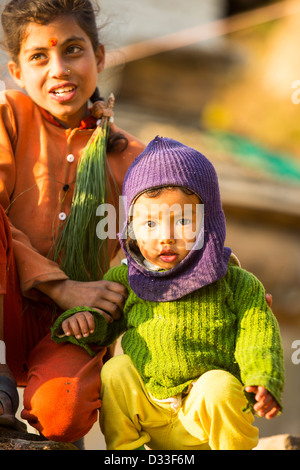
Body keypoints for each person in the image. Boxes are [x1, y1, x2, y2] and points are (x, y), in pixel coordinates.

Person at [52, 136, 285, 450]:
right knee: (117, 370)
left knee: (218, 386)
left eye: (184, 221)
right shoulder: (126, 278)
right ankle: (125, 451)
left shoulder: (235, 283)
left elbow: (258, 335)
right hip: (153, 411)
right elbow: (106, 323)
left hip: (207, 420)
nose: (166, 237)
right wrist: (84, 321)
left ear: (209, 223)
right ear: (131, 228)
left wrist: (263, 378)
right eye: (150, 223)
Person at [0, 0, 145, 443]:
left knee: (62, 414)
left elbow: (160, 248)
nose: (59, 69)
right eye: (39, 56)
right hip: (4, 302)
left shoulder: (133, 158)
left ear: (99, 57)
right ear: (16, 72)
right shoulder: (8, 117)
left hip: (75, 325)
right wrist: (58, 285)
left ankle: (60, 400)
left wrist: (226, 282)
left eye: (73, 50)